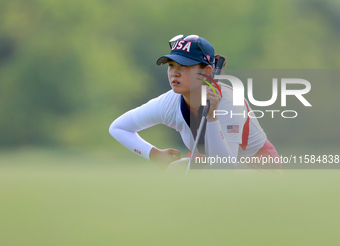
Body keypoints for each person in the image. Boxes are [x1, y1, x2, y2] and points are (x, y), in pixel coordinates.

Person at [109, 34, 281, 170]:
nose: (174, 73)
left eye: (183, 66)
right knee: (175, 170)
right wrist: (153, 154)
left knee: (202, 175)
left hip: (259, 168)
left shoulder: (230, 102)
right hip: (213, 163)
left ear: (206, 72)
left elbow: (224, 170)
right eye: (171, 65)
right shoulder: (170, 101)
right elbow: (118, 128)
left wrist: (212, 117)